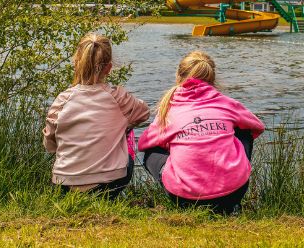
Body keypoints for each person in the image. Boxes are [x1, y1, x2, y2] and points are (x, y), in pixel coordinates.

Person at [138, 51, 264, 215]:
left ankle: (182, 185)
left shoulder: (170, 109)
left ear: (178, 76)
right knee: (244, 131)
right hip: (233, 193)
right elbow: (257, 126)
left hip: (185, 199)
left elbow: (144, 143)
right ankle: (232, 202)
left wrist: (178, 141)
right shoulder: (227, 103)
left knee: (150, 152)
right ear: (213, 79)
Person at [42, 33, 148, 199]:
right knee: (126, 141)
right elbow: (144, 113)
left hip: (63, 184)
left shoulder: (62, 100)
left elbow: (49, 144)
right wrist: (124, 125)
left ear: (76, 63)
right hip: (110, 184)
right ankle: (109, 195)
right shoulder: (118, 97)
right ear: (109, 68)